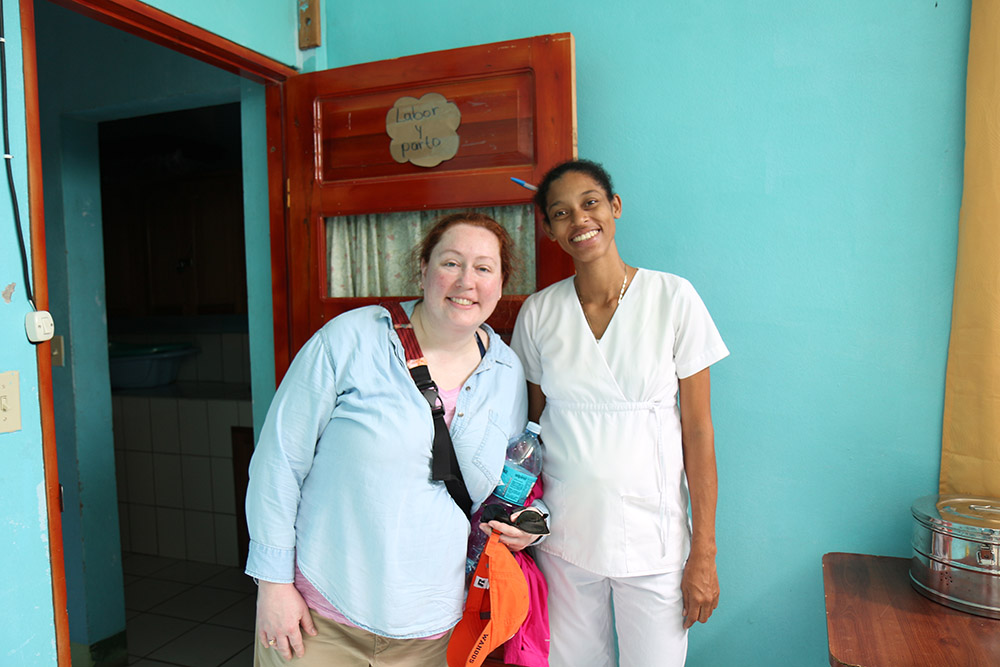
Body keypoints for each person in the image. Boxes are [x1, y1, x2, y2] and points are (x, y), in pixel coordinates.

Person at [245, 212, 539, 666]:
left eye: (484, 268)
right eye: (451, 263)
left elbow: (501, 489)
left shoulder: (506, 372)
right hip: (317, 620)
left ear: (501, 283)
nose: (466, 281)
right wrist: (273, 584)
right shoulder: (353, 338)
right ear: (423, 269)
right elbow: (278, 461)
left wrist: (525, 525)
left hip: (435, 632)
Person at [510, 160, 729, 666]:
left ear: (615, 207)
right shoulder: (539, 313)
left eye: (590, 203)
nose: (579, 220)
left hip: (654, 542)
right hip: (565, 538)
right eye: (560, 213)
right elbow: (530, 435)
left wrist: (705, 553)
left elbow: (698, 433)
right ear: (549, 229)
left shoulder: (673, 297)